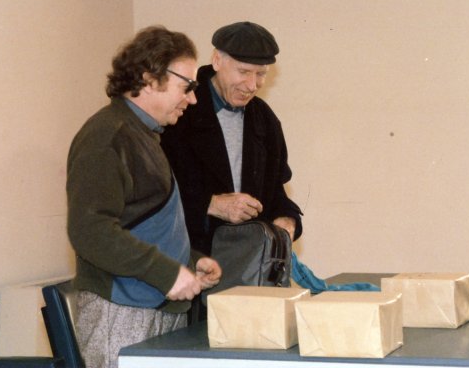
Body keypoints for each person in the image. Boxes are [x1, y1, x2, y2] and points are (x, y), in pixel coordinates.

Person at [66, 26, 222, 368]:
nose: (193, 99)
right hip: (120, 313)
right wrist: (168, 274)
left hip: (151, 306)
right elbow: (90, 230)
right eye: (187, 87)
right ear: (149, 78)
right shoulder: (109, 136)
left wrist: (190, 260)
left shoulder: (144, 135)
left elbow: (141, 222)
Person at [160, 21, 303, 256]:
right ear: (217, 61)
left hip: (247, 261)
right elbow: (152, 195)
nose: (251, 85)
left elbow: (275, 191)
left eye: (261, 74)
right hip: (188, 259)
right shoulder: (179, 112)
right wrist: (211, 204)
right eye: (244, 72)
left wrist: (287, 222)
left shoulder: (265, 120)